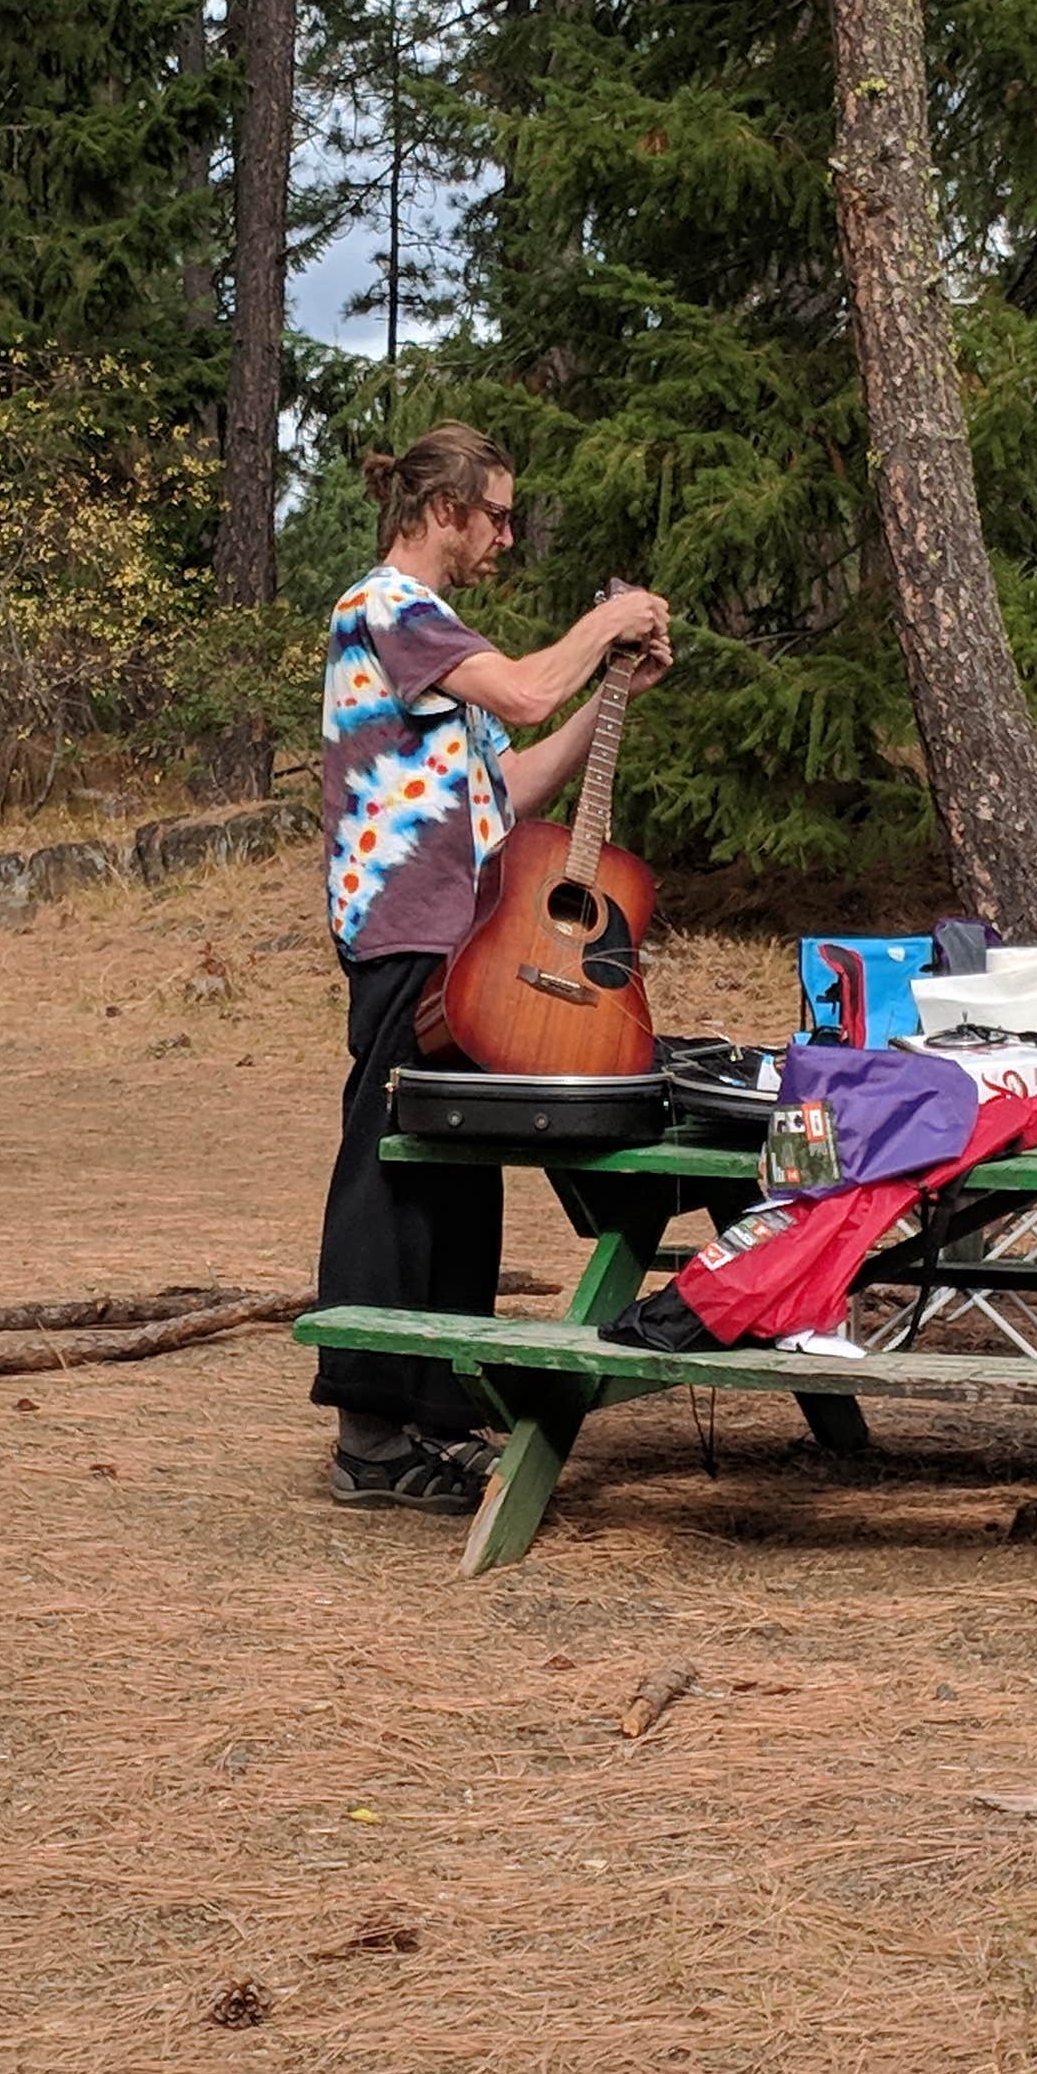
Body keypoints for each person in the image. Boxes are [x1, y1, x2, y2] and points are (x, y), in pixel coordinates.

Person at [313, 424, 672, 1514]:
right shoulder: (385, 607)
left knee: (451, 1166)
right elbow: (521, 693)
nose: (508, 537)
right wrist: (606, 619)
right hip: (403, 926)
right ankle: (369, 1431)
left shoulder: (437, 638)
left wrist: (612, 696)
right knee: (387, 1164)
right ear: (441, 511)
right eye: (498, 515)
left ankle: (437, 1412)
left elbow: (506, 786)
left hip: (465, 929)